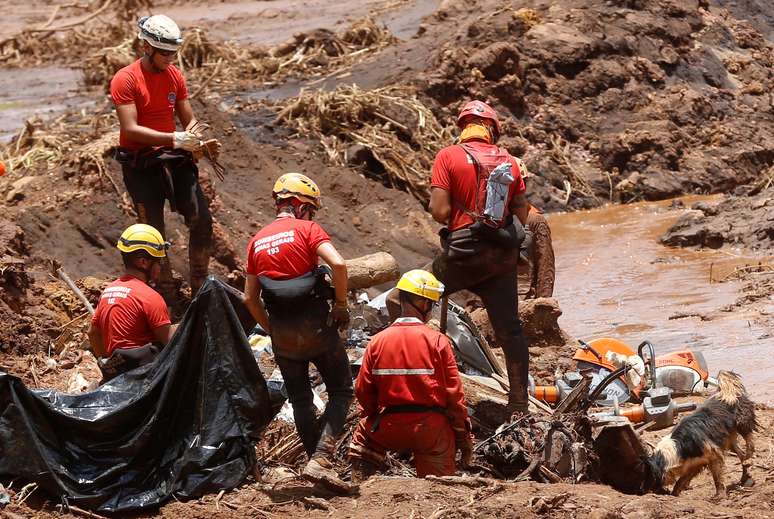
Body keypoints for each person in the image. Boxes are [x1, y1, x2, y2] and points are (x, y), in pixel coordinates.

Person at [243, 173, 353, 491]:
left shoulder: (257, 240)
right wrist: (342, 305)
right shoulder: (307, 230)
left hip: (283, 335)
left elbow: (249, 298)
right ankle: (321, 459)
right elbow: (340, 265)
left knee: (302, 400)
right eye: (311, 209)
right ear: (299, 205)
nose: (312, 215)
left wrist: (270, 328)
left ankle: (313, 465)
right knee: (342, 390)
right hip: (316, 326)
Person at [428, 100, 531, 415]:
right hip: (500, 257)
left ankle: (417, 378)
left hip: (462, 255)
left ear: (462, 127)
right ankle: (518, 404)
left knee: (406, 298)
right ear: (493, 130)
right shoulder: (510, 162)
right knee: (510, 330)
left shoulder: (447, 156)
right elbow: (522, 213)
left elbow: (440, 212)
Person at [110, 14, 215, 303]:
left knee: (202, 219)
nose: (170, 58)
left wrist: (194, 138)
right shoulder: (125, 79)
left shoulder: (174, 76)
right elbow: (130, 128)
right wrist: (175, 138)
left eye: (173, 52)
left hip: (173, 154)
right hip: (140, 161)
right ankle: (165, 293)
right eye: (164, 53)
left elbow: (188, 118)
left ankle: (200, 286)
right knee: (152, 233)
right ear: (147, 48)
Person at [348, 270, 472, 481]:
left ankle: (360, 489)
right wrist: (463, 435)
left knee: (363, 436)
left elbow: (362, 390)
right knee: (438, 483)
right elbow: (454, 396)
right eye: (431, 304)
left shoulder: (377, 341)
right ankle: (438, 491)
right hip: (430, 431)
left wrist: (374, 416)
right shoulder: (438, 341)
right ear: (423, 304)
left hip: (388, 426)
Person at [89, 224, 176, 382]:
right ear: (143, 262)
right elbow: (173, 344)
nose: (160, 268)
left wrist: (106, 362)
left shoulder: (108, 291)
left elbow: (93, 334)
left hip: (117, 377)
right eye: (158, 262)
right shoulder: (149, 297)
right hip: (144, 379)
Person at [514, 159, 556, 300]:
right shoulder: (491, 218)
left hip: (525, 298)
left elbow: (545, 268)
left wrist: (543, 303)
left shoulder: (534, 221)